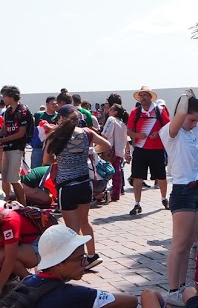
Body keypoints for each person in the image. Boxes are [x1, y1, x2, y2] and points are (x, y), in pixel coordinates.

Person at [161, 92, 198, 306]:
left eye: (195, 120)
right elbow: (182, 113)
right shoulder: (170, 131)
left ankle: (181, 286)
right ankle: (173, 289)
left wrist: (195, 98)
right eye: (191, 120)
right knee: (179, 243)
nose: (194, 124)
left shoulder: (191, 130)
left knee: (190, 240)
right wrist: (184, 97)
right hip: (182, 190)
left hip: (196, 188)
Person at [44, 105, 111, 270]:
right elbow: (106, 145)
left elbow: (46, 160)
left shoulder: (56, 135)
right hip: (84, 183)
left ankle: (78, 261)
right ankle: (92, 255)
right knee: (84, 222)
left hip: (67, 186)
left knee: (72, 228)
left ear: (61, 118)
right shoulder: (86, 133)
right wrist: (90, 151)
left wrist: (60, 158)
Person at [0, 202, 51, 299]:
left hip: (36, 246)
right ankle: (11, 277)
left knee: (1, 256)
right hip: (20, 247)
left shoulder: (9, 221)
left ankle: (31, 281)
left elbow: (10, 258)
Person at [127, 85, 170, 215]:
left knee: (161, 176)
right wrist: (137, 135)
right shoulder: (135, 112)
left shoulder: (160, 111)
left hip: (157, 149)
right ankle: (137, 204)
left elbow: (168, 127)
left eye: (145, 95)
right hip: (140, 150)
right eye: (141, 95)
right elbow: (129, 131)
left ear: (151, 97)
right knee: (137, 177)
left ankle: (164, 198)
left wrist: (158, 133)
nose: (143, 98)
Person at [0, 85, 32, 202]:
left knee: (14, 180)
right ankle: (7, 203)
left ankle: (23, 206)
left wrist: (1, 140)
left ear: (11, 96)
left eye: (4, 96)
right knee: (6, 178)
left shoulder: (23, 110)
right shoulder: (7, 111)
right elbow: (4, 130)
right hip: (7, 148)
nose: (3, 99)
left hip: (17, 148)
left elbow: (21, 133)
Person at [100, 103, 128, 202]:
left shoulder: (111, 119)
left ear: (115, 112)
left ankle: (101, 193)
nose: (108, 111)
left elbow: (105, 135)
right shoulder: (123, 124)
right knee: (117, 172)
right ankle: (116, 194)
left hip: (109, 150)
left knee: (103, 171)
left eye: (111, 109)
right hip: (119, 151)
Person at [29, 96, 60, 169]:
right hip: (38, 147)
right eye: (53, 104)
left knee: (50, 170)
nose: (55, 105)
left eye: (56, 104)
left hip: (52, 148)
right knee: (35, 169)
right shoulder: (38, 115)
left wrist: (51, 128)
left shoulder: (59, 116)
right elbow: (33, 129)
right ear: (47, 104)